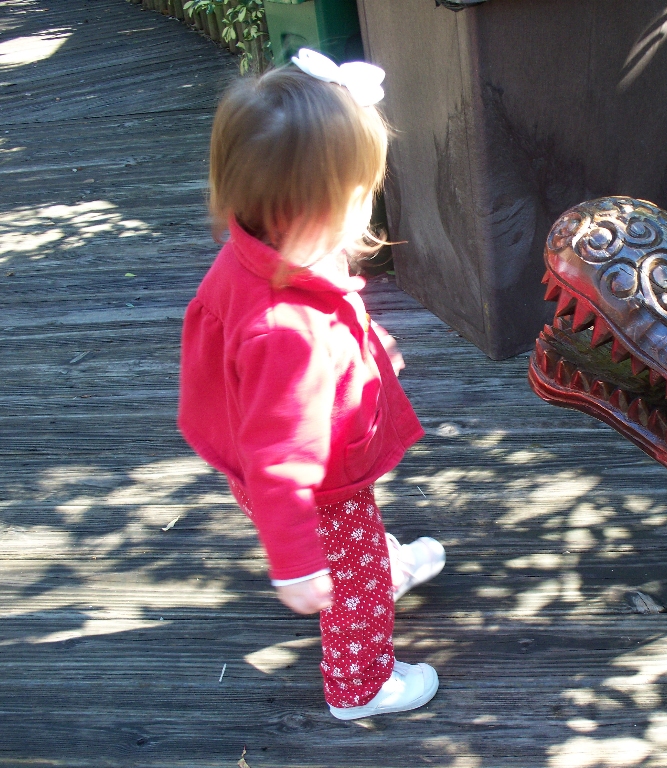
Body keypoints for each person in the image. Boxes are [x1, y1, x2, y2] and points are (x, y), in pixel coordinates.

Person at [177, 49, 444, 720]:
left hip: (286, 462)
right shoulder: (284, 332)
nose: (367, 207)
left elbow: (330, 309)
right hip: (310, 488)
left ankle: (375, 564)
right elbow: (280, 459)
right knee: (353, 575)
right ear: (310, 211)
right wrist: (296, 564)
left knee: (355, 544)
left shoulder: (263, 252)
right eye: (359, 195)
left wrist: (369, 344)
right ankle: (360, 684)